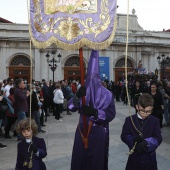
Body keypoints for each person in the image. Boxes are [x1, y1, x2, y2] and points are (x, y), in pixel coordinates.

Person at [68, 50, 116, 170]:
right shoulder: (83, 91)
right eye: (89, 77)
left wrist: (95, 113)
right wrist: (77, 96)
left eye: (94, 77)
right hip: (81, 131)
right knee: (80, 159)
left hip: (98, 132)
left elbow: (111, 114)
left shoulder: (108, 94)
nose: (92, 80)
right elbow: (70, 107)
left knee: (96, 161)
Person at [121, 93, 162, 170]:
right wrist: (133, 139)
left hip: (149, 159)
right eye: (142, 111)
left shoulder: (155, 121)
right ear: (137, 107)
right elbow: (124, 136)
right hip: (134, 158)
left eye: (149, 111)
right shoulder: (129, 120)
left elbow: (158, 138)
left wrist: (147, 142)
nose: (145, 114)